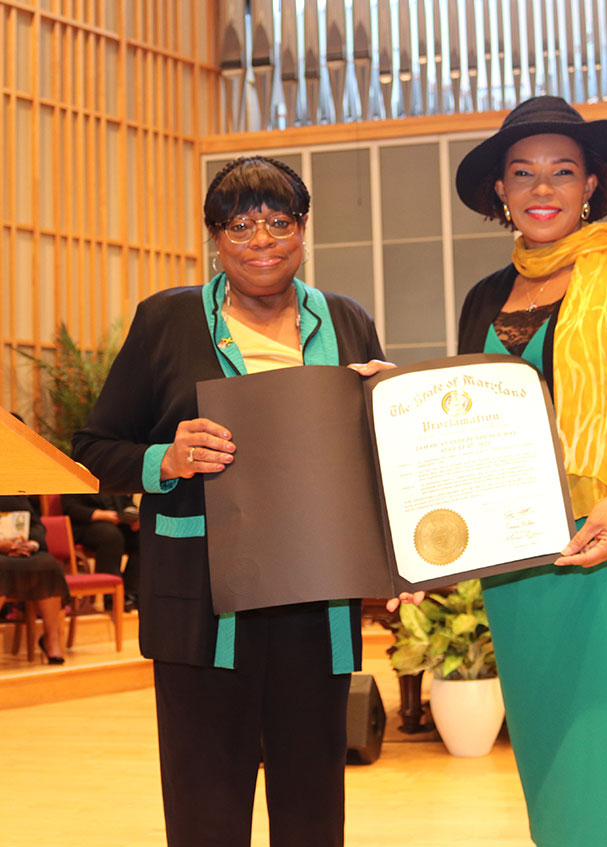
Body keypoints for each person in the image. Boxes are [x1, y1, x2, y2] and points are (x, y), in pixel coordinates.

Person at [72, 156, 389, 847]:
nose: (261, 239)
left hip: (316, 605)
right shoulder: (168, 320)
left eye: (279, 221)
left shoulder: (346, 321)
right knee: (205, 814)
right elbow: (94, 446)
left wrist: (387, 409)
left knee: (313, 814)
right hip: (203, 607)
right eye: (239, 224)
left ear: (303, 229)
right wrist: (168, 457)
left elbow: (376, 464)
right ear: (213, 236)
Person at [452, 96, 607, 846]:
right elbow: (466, 422)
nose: (542, 188)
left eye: (563, 170)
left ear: (593, 183)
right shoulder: (483, 299)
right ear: (500, 191)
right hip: (520, 550)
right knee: (551, 754)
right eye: (522, 173)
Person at [0, 494, 69, 664]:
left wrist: (32, 544)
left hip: (22, 550)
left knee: (47, 564)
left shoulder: (16, 491)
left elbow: (37, 525)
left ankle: (51, 641)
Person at [61, 492, 140, 610]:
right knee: (111, 536)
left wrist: (133, 517)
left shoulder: (114, 476)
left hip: (117, 524)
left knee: (143, 536)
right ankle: (111, 598)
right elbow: (70, 507)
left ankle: (130, 594)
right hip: (86, 525)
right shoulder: (78, 477)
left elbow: (126, 503)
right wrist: (101, 515)